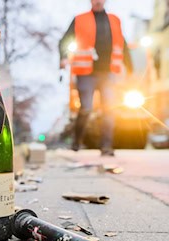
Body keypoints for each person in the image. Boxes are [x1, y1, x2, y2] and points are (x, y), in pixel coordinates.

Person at [59, 0, 133, 157]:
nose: (98, 1)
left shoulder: (115, 20)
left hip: (109, 73)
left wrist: (130, 66)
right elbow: (65, 39)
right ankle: (77, 141)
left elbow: (122, 43)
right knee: (86, 108)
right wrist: (63, 57)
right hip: (86, 73)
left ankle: (106, 147)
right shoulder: (80, 19)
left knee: (109, 110)